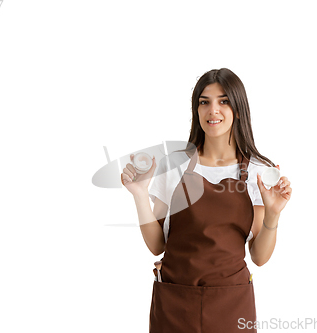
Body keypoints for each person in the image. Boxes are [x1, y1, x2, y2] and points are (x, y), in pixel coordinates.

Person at [121, 68, 292, 333]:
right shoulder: (174, 165)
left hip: (231, 305)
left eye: (224, 101)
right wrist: (140, 195)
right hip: (174, 303)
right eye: (205, 102)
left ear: (238, 108)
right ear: (196, 110)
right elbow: (157, 246)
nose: (213, 110)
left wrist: (273, 213)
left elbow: (259, 257)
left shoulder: (258, 171)